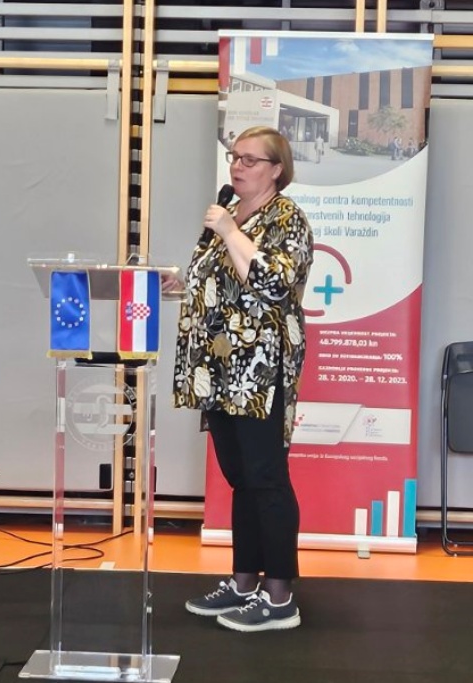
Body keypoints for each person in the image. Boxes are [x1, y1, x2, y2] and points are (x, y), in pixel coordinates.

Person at [173, 126, 313, 633]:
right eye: (235, 157)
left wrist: (231, 231)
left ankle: (279, 598)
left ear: (276, 170)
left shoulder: (286, 219)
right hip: (217, 370)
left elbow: (273, 284)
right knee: (240, 479)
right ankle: (243, 582)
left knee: (266, 478)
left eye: (251, 160)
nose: (237, 166)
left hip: (260, 370)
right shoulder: (232, 213)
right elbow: (217, 281)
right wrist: (180, 283)